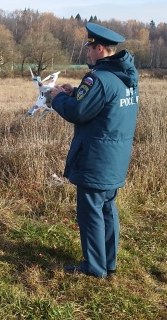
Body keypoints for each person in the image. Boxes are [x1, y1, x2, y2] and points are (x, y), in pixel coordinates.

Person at [49, 22, 139, 279]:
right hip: (115, 158)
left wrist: (57, 97)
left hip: (95, 159)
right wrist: (76, 92)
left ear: (99, 48)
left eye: (89, 48)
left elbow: (77, 112)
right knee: (108, 208)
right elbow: (104, 103)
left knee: (90, 213)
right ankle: (108, 263)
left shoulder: (97, 78)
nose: (87, 53)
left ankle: (94, 267)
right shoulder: (127, 77)